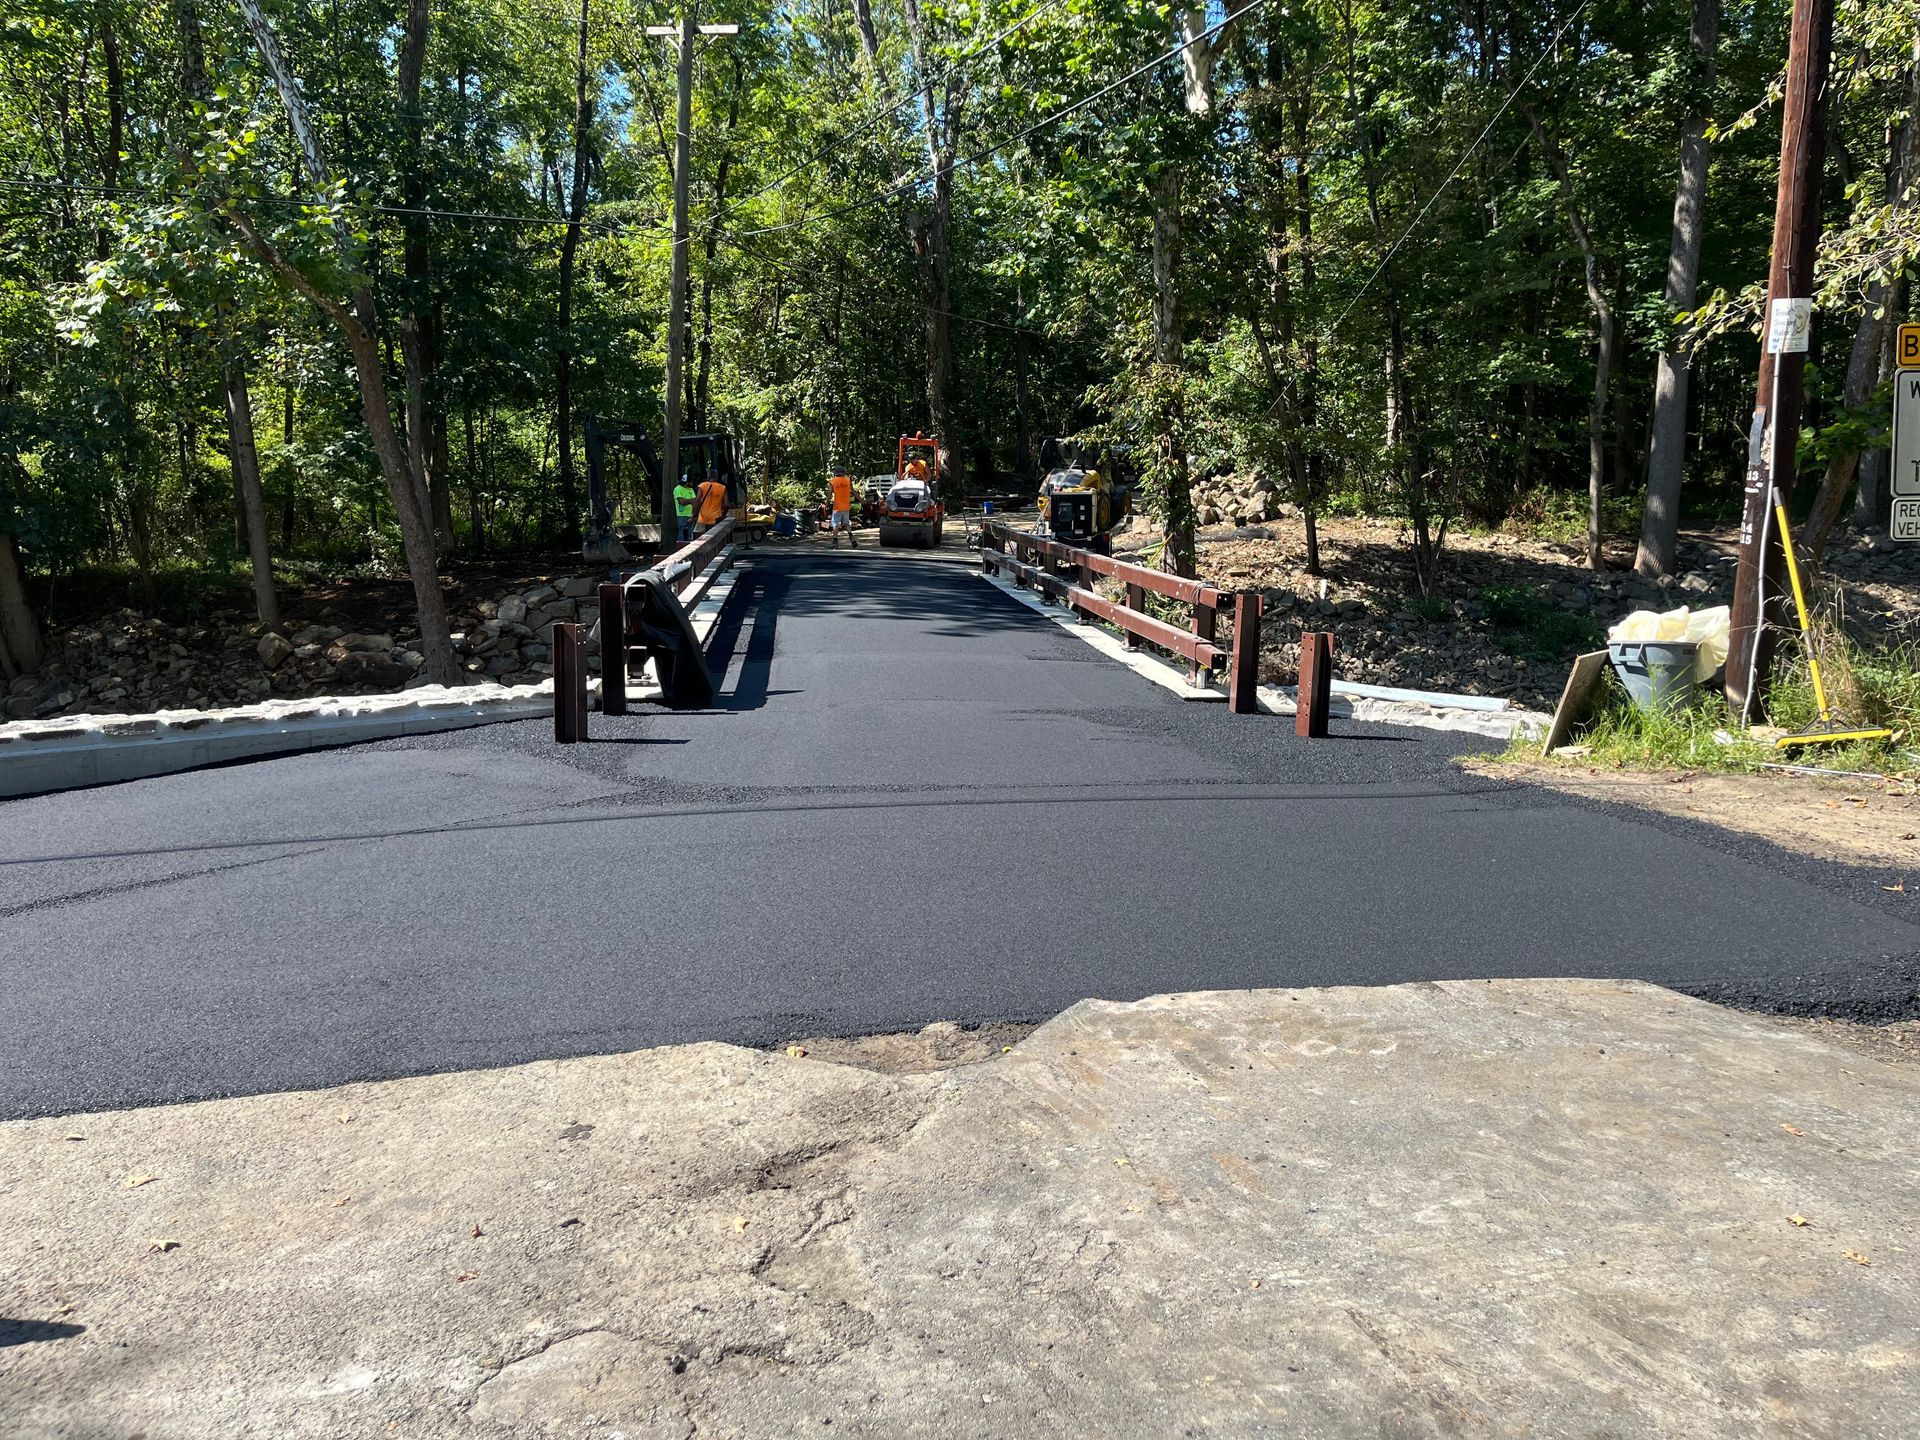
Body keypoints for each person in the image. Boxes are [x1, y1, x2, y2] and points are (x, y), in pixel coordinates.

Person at [828, 464, 857, 548]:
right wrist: (862, 500)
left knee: (835, 524)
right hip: (846, 507)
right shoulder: (847, 481)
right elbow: (853, 491)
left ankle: (835, 542)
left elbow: (829, 494)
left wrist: (826, 502)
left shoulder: (833, 481)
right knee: (846, 524)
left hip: (837, 507)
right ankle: (852, 538)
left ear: (835, 473)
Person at [671, 473, 696, 545]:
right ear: (687, 482)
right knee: (681, 536)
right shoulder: (677, 489)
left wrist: (693, 514)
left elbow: (695, 502)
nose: (692, 483)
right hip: (681, 515)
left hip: (691, 516)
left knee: (690, 536)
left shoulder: (691, 490)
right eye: (691, 481)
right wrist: (691, 501)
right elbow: (681, 502)